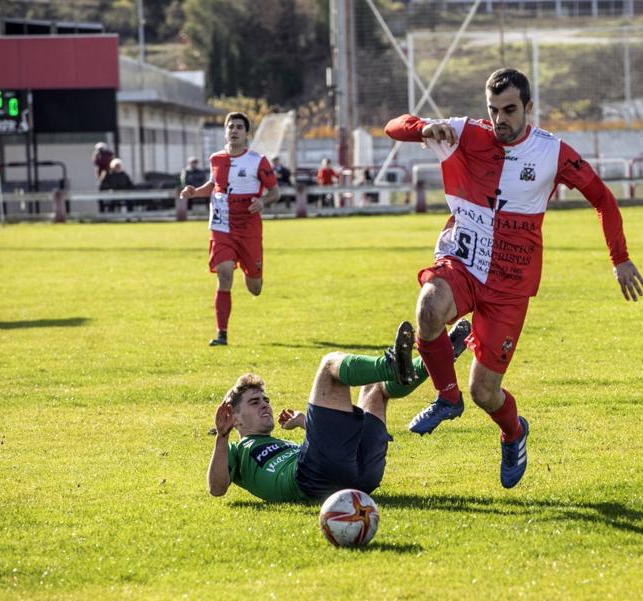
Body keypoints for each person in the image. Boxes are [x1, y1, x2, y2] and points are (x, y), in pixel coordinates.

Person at [384, 68, 643, 489]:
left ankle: (513, 432)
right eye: (494, 110)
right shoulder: (464, 134)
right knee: (429, 307)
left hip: (510, 284)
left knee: (485, 392)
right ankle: (445, 398)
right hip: (464, 263)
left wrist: (620, 258)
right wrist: (424, 127)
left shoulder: (552, 152)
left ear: (528, 108)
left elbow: (602, 198)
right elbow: (394, 127)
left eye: (510, 110)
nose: (500, 119)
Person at [207, 319, 471, 503]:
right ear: (235, 417)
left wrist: (304, 423)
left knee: (374, 389)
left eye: (265, 399)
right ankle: (390, 364)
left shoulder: (279, 441)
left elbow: (332, 448)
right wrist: (222, 437)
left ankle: (436, 358)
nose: (265, 404)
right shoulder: (237, 451)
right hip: (312, 479)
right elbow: (217, 489)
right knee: (329, 365)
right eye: (254, 402)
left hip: (359, 475)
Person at [178, 112, 280, 347]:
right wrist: (195, 192)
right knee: (224, 275)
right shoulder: (216, 158)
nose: (234, 130)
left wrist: (263, 201)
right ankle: (221, 334)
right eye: (230, 127)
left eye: (239, 127)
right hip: (222, 225)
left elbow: (276, 192)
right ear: (225, 132)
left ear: (246, 134)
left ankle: (250, 269)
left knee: (255, 288)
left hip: (249, 228)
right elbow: (214, 186)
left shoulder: (258, 160)